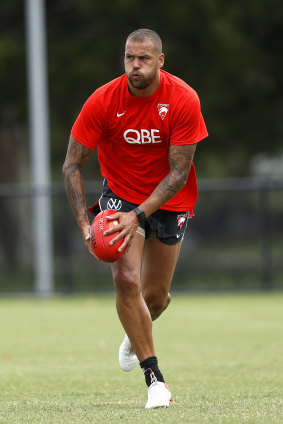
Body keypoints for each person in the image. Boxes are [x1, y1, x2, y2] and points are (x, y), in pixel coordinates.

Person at [63, 28, 208, 409]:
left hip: (168, 200)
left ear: (160, 61)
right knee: (126, 278)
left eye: (144, 59)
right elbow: (71, 164)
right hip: (119, 195)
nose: (135, 66)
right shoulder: (104, 100)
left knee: (156, 298)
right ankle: (155, 381)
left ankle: (134, 333)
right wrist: (84, 224)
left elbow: (178, 174)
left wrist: (140, 214)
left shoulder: (183, 99)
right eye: (129, 57)